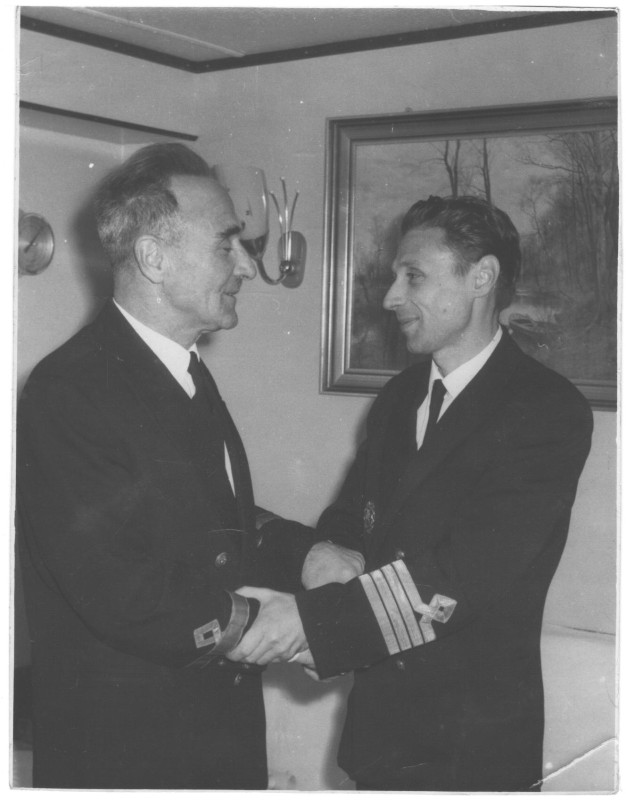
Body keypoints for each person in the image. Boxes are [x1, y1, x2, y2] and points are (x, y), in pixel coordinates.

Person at [16, 143, 363, 789]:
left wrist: (305, 555)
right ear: (153, 257)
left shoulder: (183, 371)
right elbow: (118, 587)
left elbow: (209, 517)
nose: (246, 266)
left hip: (215, 738)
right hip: (125, 755)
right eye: (226, 244)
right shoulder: (71, 389)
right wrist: (277, 628)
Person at [228, 195, 594, 791]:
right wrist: (329, 559)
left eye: (413, 276)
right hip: (379, 736)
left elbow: (464, 574)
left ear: (482, 277)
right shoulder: (399, 398)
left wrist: (319, 627)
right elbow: (351, 520)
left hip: (471, 750)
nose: (391, 297)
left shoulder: (546, 410)